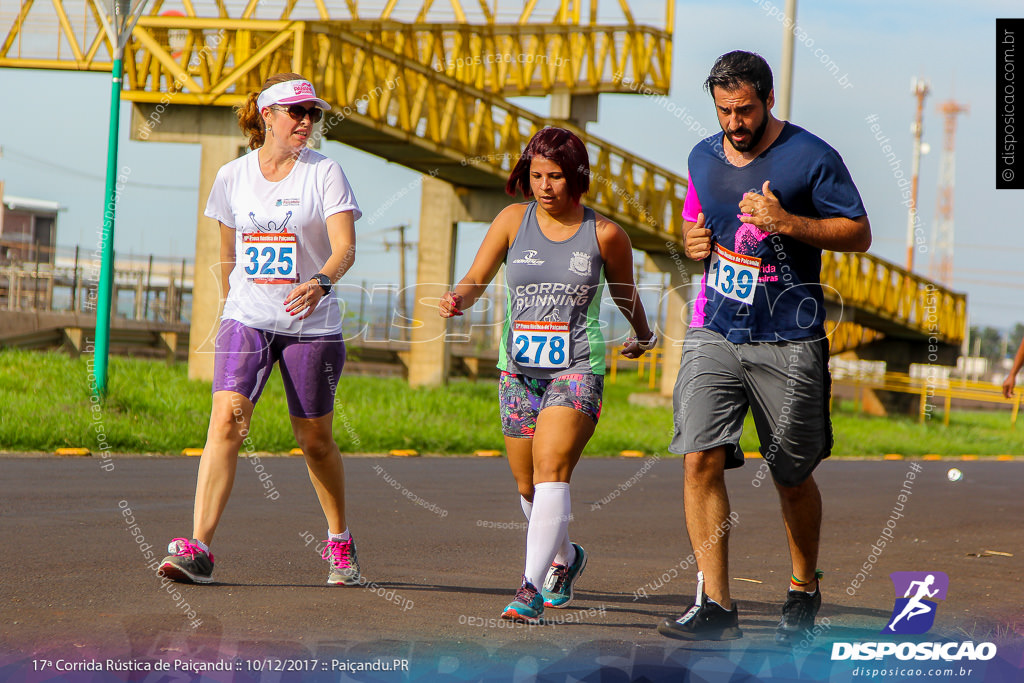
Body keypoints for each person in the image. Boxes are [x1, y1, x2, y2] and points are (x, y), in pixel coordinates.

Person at [658, 51, 871, 644]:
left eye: (744, 109)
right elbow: (698, 216)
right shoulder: (703, 156)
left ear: (769, 101)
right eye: (724, 110)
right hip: (715, 329)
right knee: (699, 456)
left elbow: (858, 231)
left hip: (789, 338)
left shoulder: (811, 157)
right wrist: (693, 240)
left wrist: (788, 222)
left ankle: (804, 585)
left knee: (791, 475)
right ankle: (718, 605)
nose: (734, 122)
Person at [439, 127, 656, 623]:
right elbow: (477, 277)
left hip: (576, 368)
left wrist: (643, 335)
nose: (544, 186)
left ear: (576, 176)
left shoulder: (604, 234)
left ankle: (529, 588)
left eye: (555, 176)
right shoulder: (513, 221)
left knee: (552, 469)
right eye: (536, 175)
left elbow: (626, 294)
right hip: (517, 371)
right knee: (527, 487)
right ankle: (566, 558)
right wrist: (458, 299)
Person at [159, 73, 363, 586]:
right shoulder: (231, 176)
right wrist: (233, 308)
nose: (306, 121)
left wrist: (318, 283)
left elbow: (345, 248)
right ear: (266, 115)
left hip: (310, 324)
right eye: (296, 112)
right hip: (247, 318)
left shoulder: (325, 173)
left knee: (313, 439)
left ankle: (340, 541)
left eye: (312, 113)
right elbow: (228, 254)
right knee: (226, 422)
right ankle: (198, 547)